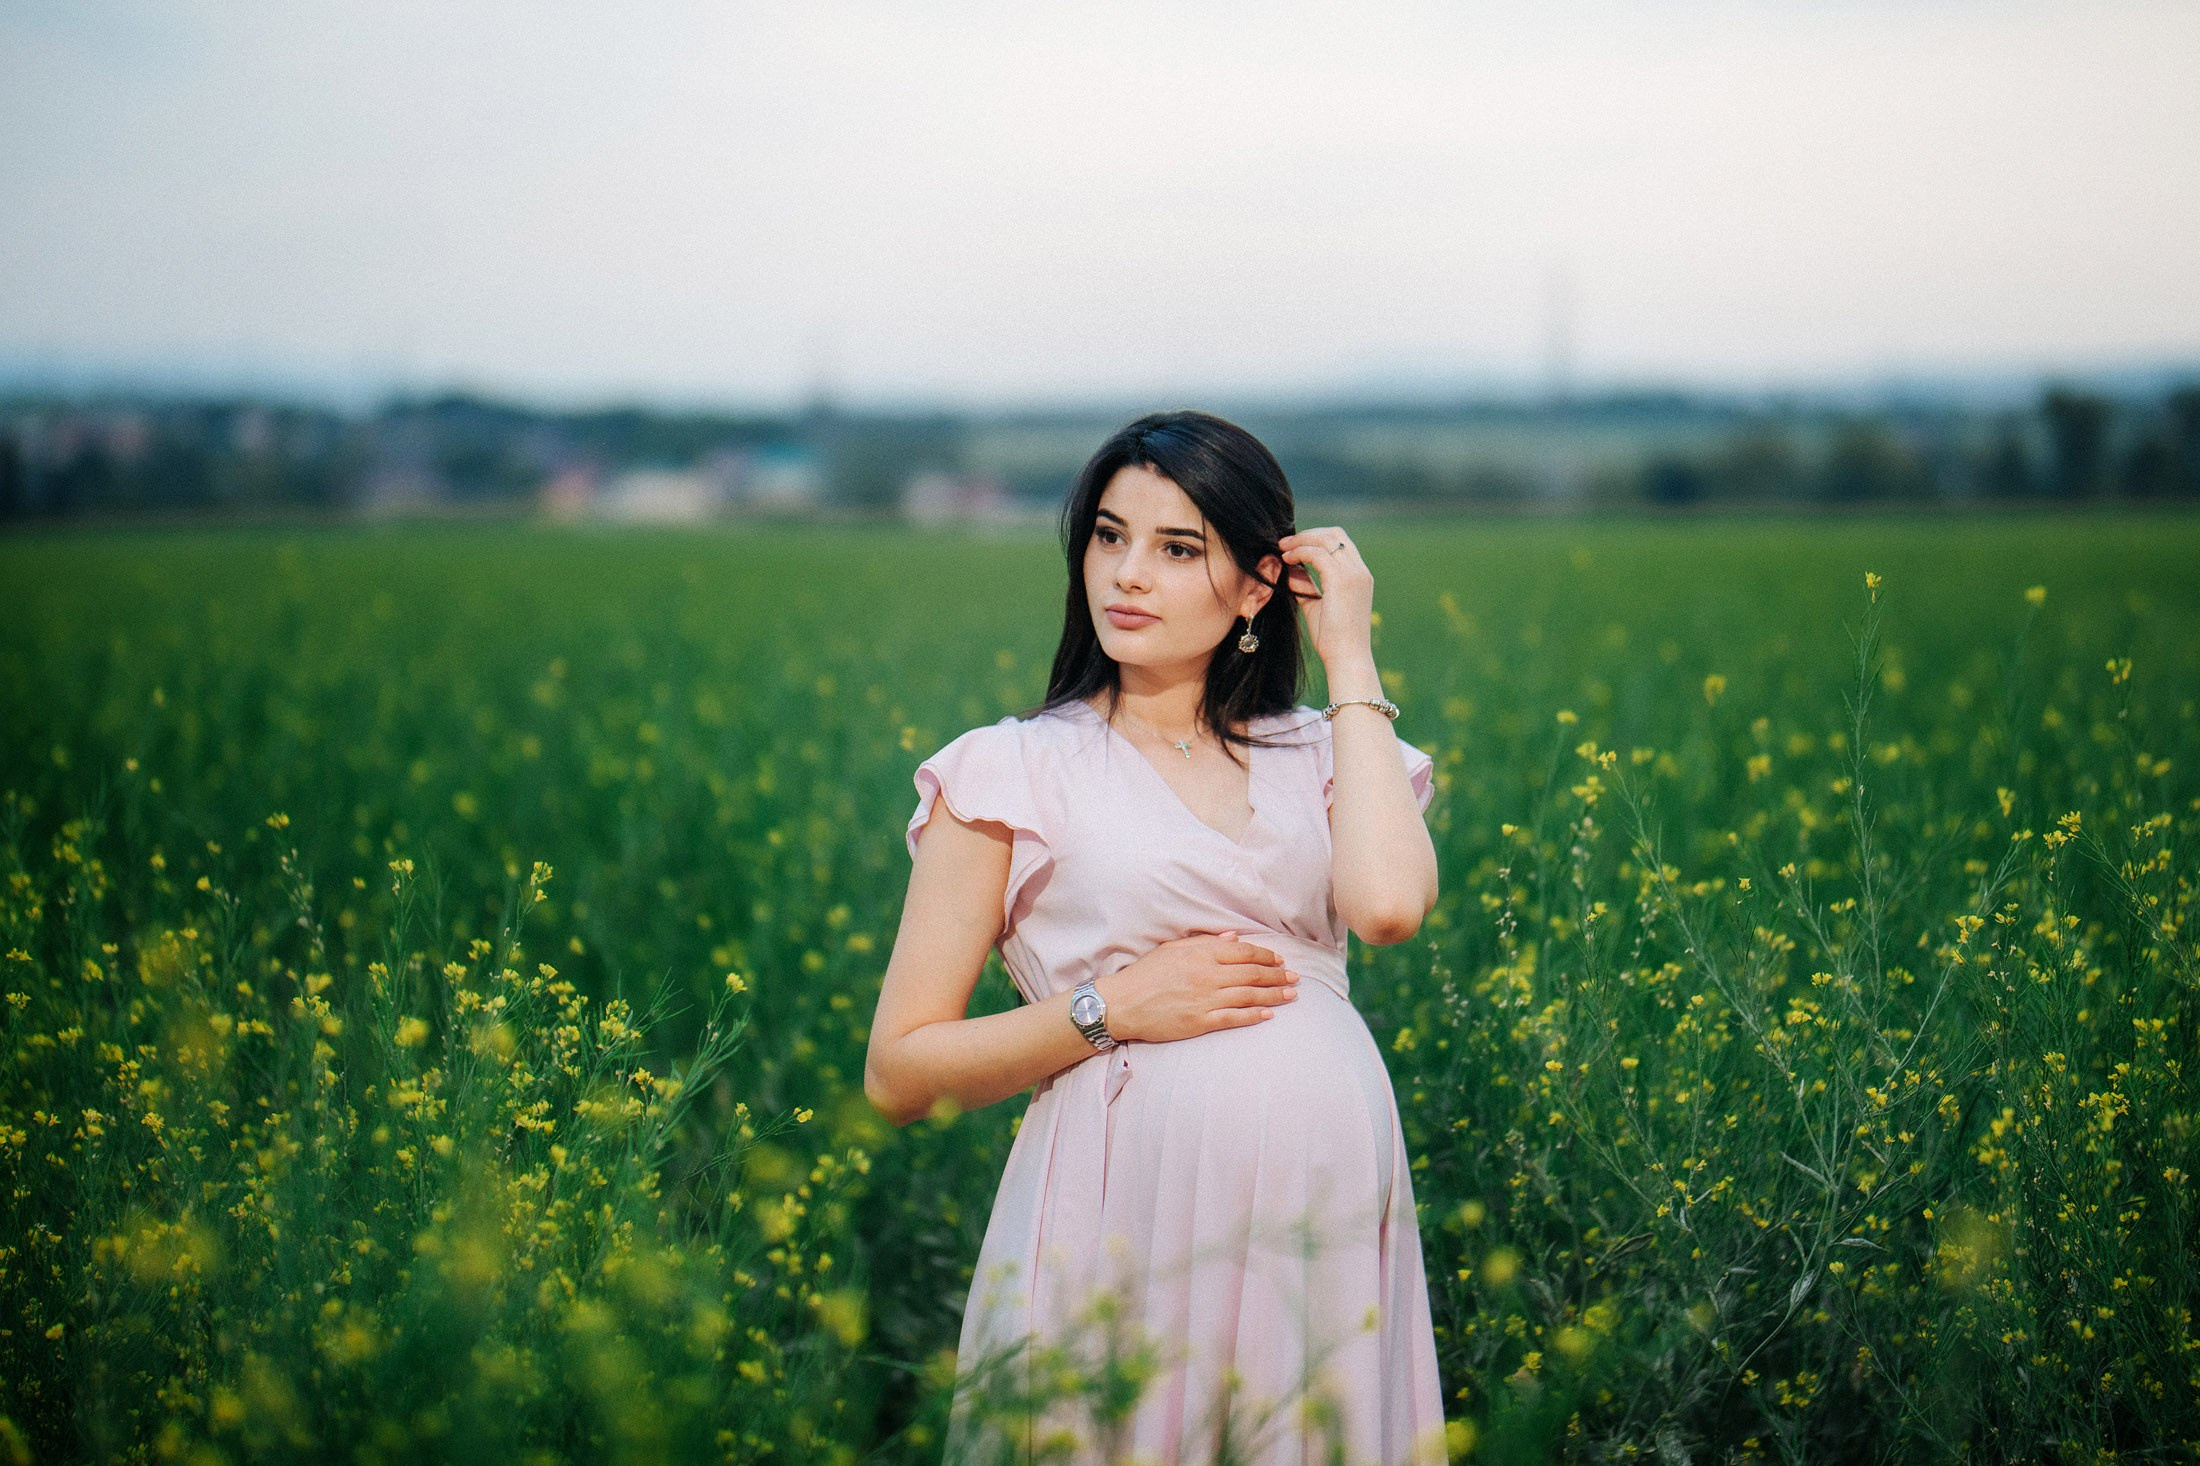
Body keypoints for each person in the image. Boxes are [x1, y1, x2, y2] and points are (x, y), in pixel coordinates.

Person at [865, 410, 1447, 1465]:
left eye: (1178, 548)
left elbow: (1388, 905)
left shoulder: (1321, 753)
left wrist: (1350, 653)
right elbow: (899, 1072)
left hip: (1321, 1220)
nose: (1126, 573)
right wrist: (1109, 1010)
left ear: (1258, 584)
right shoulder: (1009, 770)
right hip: (1120, 1213)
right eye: (1107, 534)